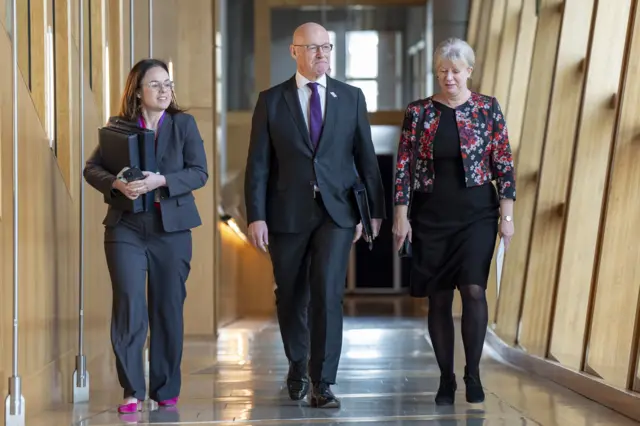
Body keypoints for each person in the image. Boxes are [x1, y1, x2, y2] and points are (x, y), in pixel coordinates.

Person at [244, 22, 386, 408]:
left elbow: (366, 159)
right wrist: (256, 215)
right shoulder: (272, 101)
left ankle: (323, 382)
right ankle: (297, 364)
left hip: (336, 213)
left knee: (327, 293)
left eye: (327, 47)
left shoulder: (351, 97)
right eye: (313, 48)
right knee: (291, 295)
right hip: (286, 213)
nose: (322, 54)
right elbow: (257, 165)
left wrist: (373, 212)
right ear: (294, 51)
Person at [392, 38, 515, 406]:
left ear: (469, 72)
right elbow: (403, 168)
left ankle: (473, 374)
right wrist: (401, 216)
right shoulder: (419, 113)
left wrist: (507, 216)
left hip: (478, 213)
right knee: (439, 297)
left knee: (474, 289)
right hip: (430, 215)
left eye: (455, 71)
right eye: (443, 71)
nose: (449, 78)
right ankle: (446, 378)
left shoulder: (488, 109)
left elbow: (504, 164)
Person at [83, 59, 208, 414]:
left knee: (167, 308)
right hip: (126, 229)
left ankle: (165, 388)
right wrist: (116, 184)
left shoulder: (184, 124)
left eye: (168, 83)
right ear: (137, 91)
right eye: (155, 84)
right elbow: (92, 169)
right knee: (129, 307)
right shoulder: (118, 127)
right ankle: (132, 390)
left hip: (172, 231)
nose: (164, 90)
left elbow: (199, 172)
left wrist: (162, 181)